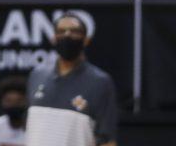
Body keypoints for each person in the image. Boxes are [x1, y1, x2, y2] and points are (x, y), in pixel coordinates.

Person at [27, 14, 118, 146]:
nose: (67, 35)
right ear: (53, 38)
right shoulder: (37, 75)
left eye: (74, 31)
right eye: (61, 31)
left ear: (86, 40)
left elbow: (107, 140)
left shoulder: (100, 82)